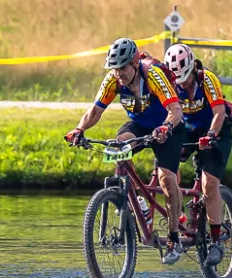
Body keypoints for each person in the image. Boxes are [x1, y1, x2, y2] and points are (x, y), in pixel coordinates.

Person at [65, 38, 187, 261]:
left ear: (134, 63)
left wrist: (166, 127)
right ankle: (137, 200)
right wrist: (79, 129)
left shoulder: (153, 76)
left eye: (122, 68)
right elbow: (95, 111)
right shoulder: (113, 80)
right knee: (120, 145)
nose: (118, 73)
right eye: (115, 68)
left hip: (168, 125)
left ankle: (173, 239)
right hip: (141, 124)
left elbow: (176, 110)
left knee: (166, 178)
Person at [158, 42, 232, 246]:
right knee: (166, 166)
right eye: (178, 81)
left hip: (216, 129)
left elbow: (219, 113)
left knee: (209, 185)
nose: (182, 85)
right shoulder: (170, 83)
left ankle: (216, 240)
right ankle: (179, 212)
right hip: (188, 129)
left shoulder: (207, 79)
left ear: (193, 68)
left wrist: (210, 135)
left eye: (185, 79)